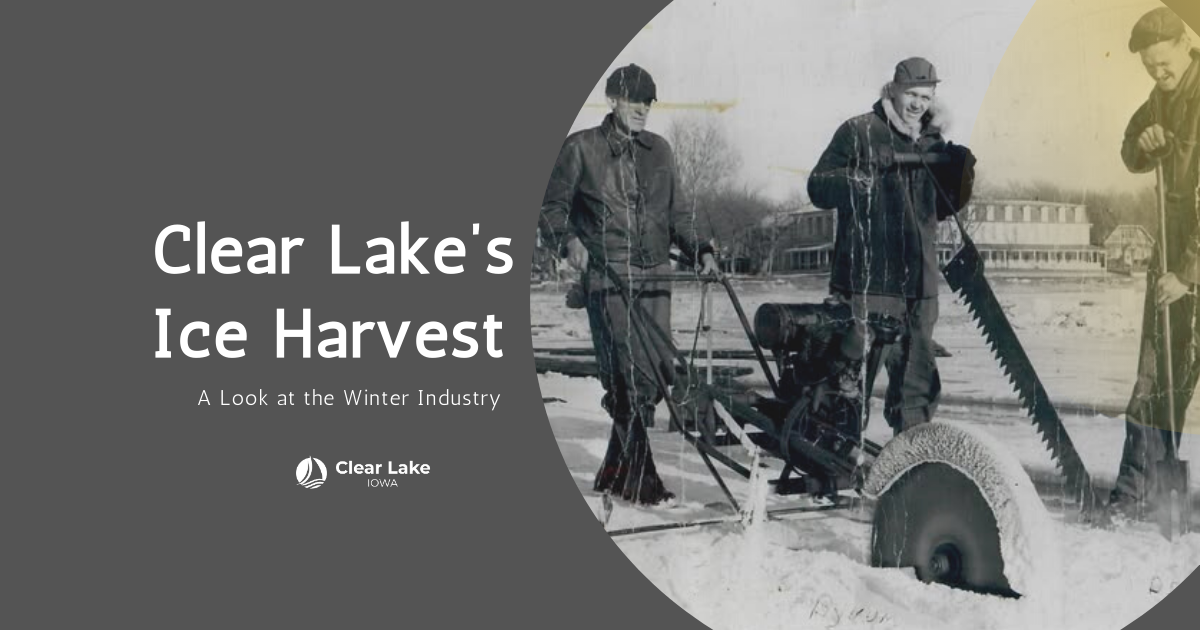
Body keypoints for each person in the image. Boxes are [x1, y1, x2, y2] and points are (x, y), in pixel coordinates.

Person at [539, 64, 718, 506]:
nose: (641, 109)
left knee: (653, 372)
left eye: (647, 102)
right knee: (625, 371)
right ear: (613, 100)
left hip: (656, 274)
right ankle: (641, 477)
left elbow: (678, 213)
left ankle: (613, 471)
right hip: (609, 274)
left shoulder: (660, 151)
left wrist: (701, 249)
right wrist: (569, 242)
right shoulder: (581, 148)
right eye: (633, 101)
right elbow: (550, 208)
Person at [807, 57, 975, 437]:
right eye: (911, 94)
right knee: (848, 383)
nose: (917, 104)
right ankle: (833, 458)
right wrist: (857, 178)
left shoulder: (932, 141)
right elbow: (817, 186)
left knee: (916, 386)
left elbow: (939, 210)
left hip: (920, 286)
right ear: (894, 90)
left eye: (925, 97)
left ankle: (909, 460)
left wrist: (960, 180)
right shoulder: (859, 131)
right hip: (869, 283)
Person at [1110, 7, 1200, 518]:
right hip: (1173, 253)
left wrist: (1187, 273)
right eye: (1150, 67)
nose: (1158, 73)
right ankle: (1140, 494)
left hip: (1189, 262)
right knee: (1156, 376)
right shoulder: (1162, 97)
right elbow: (1130, 148)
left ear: (1187, 44)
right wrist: (1145, 146)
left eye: (1164, 63)